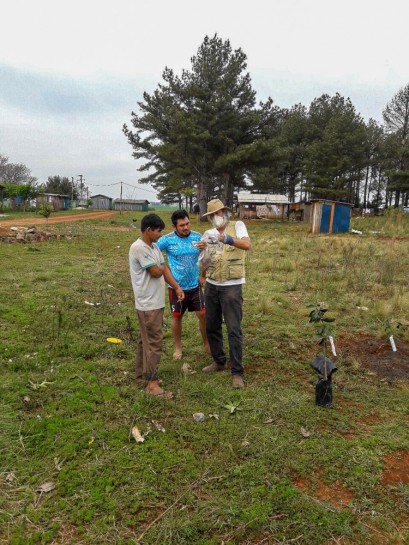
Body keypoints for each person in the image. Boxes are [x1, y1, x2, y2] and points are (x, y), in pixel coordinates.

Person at [129, 213, 184, 398]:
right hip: (147, 304)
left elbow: (164, 268)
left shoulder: (153, 248)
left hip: (155, 302)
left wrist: (176, 287)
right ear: (148, 230)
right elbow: (155, 271)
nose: (161, 234)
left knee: (144, 340)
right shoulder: (139, 248)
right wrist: (160, 268)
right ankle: (152, 385)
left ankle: (141, 376)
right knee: (153, 342)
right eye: (158, 231)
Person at [201, 199, 251, 388]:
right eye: (211, 216)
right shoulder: (208, 233)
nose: (214, 218)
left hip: (232, 285)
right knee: (211, 324)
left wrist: (228, 239)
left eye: (217, 214)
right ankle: (219, 360)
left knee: (233, 329)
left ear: (224, 213)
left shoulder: (238, 226)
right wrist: (202, 254)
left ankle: (237, 372)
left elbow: (246, 245)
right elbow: (206, 260)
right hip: (212, 284)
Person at [156, 209, 210, 360]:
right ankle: (178, 348)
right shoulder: (167, 240)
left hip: (195, 285)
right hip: (176, 287)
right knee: (177, 317)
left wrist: (203, 276)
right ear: (174, 227)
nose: (186, 228)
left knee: (203, 315)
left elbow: (206, 257)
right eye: (182, 226)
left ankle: (207, 344)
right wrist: (161, 268)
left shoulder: (198, 237)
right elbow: (152, 251)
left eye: (187, 224)